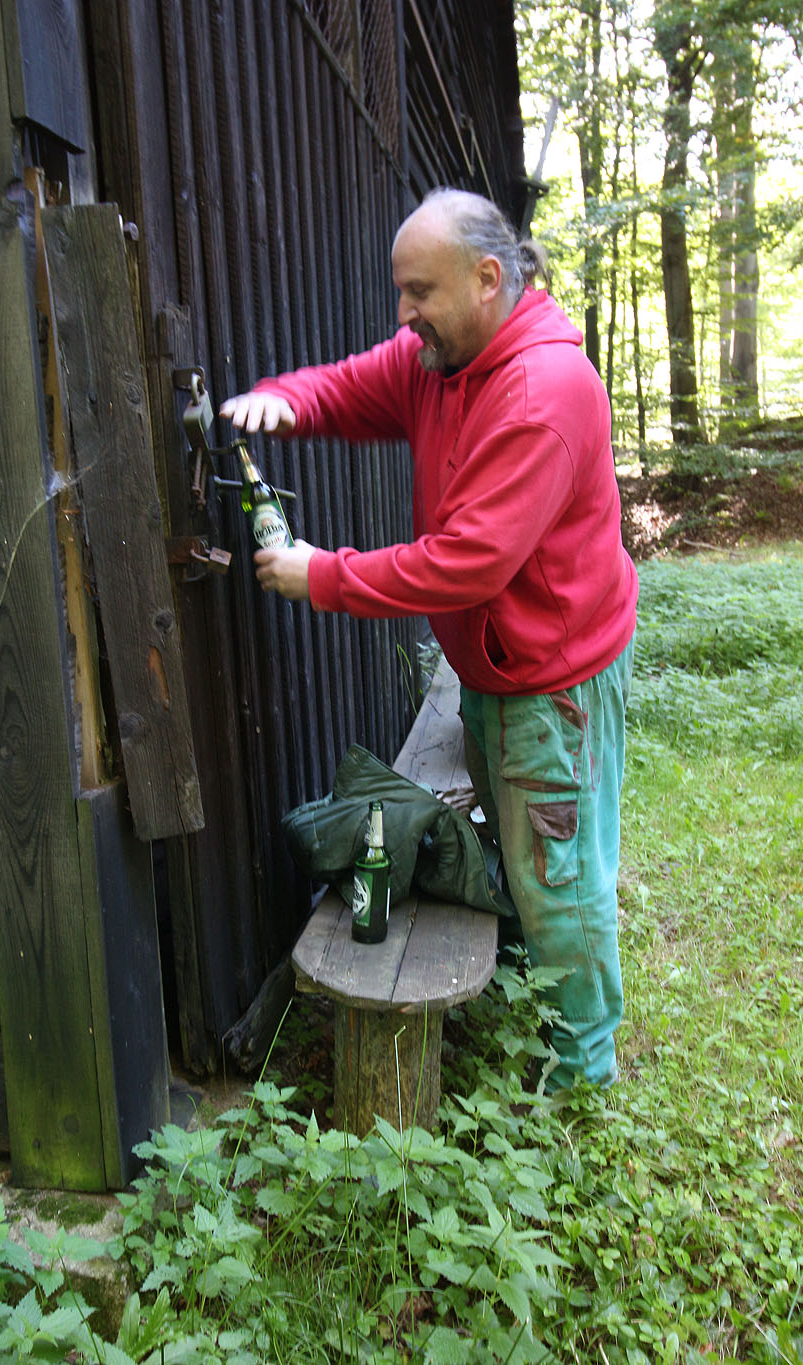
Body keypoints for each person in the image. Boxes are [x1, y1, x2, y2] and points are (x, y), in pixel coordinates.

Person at [220, 187, 638, 1092]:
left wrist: (320, 575)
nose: (404, 314)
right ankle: (534, 984)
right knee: (527, 853)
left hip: (551, 677)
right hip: (497, 665)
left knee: (559, 871)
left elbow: (465, 564)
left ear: (489, 279)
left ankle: (582, 1074)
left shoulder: (540, 393)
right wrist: (280, 404)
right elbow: (353, 386)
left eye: (420, 292)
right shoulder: (442, 359)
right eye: (400, 293)